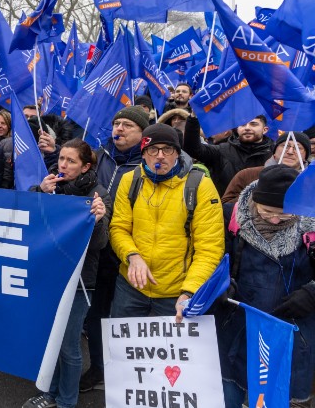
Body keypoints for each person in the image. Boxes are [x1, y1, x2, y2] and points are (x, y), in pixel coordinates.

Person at [23, 139, 112, 408]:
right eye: (61, 158)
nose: (63, 165)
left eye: (71, 161)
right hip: (49, 275)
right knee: (49, 339)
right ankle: (49, 393)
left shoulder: (99, 195)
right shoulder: (51, 186)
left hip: (80, 281)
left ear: (86, 166)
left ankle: (66, 401)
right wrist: (39, 191)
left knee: (68, 345)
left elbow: (100, 243)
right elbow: (28, 221)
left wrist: (97, 220)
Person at [217, 165, 315, 408]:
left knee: (279, 396)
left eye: (285, 214)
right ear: (254, 201)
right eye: (267, 211)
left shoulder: (311, 226)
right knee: (229, 393)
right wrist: (220, 285)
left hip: (293, 328)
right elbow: (212, 257)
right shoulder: (231, 217)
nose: (274, 219)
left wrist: (312, 293)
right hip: (239, 323)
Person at [109, 123, 224, 321]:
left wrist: (189, 291)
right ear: (143, 154)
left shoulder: (200, 186)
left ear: (177, 153)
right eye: (153, 149)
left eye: (167, 149)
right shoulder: (130, 180)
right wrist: (132, 256)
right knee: (125, 351)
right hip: (131, 287)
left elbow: (210, 248)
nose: (160, 155)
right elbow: (119, 228)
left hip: (177, 292)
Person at [79, 105, 150, 392]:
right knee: (95, 314)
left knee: (122, 316)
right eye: (116, 124)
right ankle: (98, 368)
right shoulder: (99, 155)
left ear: (143, 133)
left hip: (130, 250)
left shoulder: (148, 164)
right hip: (97, 248)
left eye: (127, 125)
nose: (118, 129)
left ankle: (128, 375)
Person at [183, 114, 274, 195]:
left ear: (265, 129)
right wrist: (193, 118)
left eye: (253, 124)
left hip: (263, 211)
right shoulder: (222, 150)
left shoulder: (275, 154)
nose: (247, 127)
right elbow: (192, 149)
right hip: (225, 210)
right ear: (237, 129)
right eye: (242, 124)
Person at [221, 131, 310, 204]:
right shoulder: (248, 174)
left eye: (298, 148)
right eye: (285, 146)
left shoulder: (310, 181)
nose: (290, 151)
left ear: (305, 156)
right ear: (274, 151)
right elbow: (225, 205)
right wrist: (258, 194)